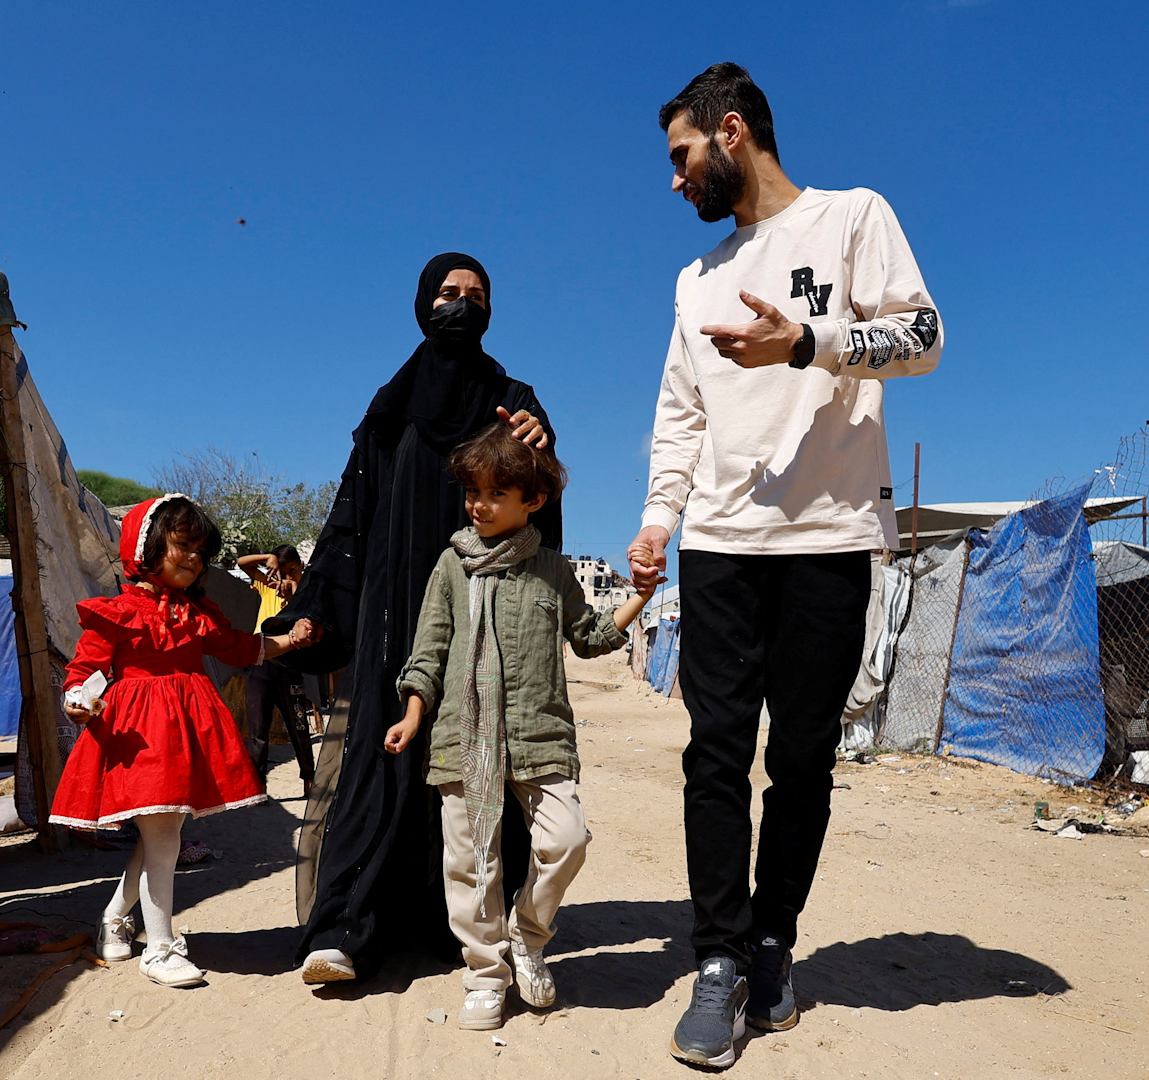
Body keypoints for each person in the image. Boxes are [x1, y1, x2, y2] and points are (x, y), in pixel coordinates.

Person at [628, 64, 943, 1068]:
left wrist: (807, 341)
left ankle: (773, 944)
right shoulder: (697, 280)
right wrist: (657, 521)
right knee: (715, 753)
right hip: (720, 543)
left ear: (731, 133)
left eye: (682, 156)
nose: (675, 179)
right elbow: (680, 413)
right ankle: (718, 960)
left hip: (829, 538)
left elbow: (924, 337)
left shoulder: (853, 218)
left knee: (802, 759)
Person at [273, 252, 556, 986]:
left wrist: (542, 449)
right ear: (423, 304)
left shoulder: (514, 404)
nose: (461, 304)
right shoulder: (390, 407)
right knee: (380, 756)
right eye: (447, 293)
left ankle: (469, 927)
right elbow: (350, 518)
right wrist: (316, 609)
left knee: (475, 765)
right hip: (395, 614)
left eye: (475, 295)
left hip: (482, 615)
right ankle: (343, 928)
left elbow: (540, 510)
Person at [384, 424, 651, 1031]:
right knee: (472, 862)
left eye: (495, 493)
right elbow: (429, 651)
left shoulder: (553, 570)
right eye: (472, 492)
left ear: (533, 500)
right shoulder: (451, 566)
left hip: (540, 734)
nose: (478, 505)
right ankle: (485, 975)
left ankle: (527, 936)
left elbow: (589, 637)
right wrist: (413, 713)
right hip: (462, 737)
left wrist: (637, 596)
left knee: (567, 840)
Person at [49, 495, 317, 988]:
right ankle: (159, 948)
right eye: (183, 545)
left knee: (161, 834)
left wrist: (292, 640)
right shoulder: (116, 611)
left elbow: (241, 647)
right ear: (146, 546)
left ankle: (114, 917)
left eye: (200, 551)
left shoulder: (198, 612)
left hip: (186, 729)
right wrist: (76, 698)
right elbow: (84, 668)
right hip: (139, 734)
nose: (194, 558)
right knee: (163, 837)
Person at [235, 545, 318, 793]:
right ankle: (259, 786)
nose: (288, 577)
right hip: (261, 660)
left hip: (290, 663)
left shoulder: (307, 590)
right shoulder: (268, 585)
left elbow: (306, 615)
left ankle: (309, 778)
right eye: (283, 573)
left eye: (292, 571)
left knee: (298, 724)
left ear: (301, 566)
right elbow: (242, 563)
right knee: (258, 728)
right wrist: (267, 558)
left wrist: (293, 592)